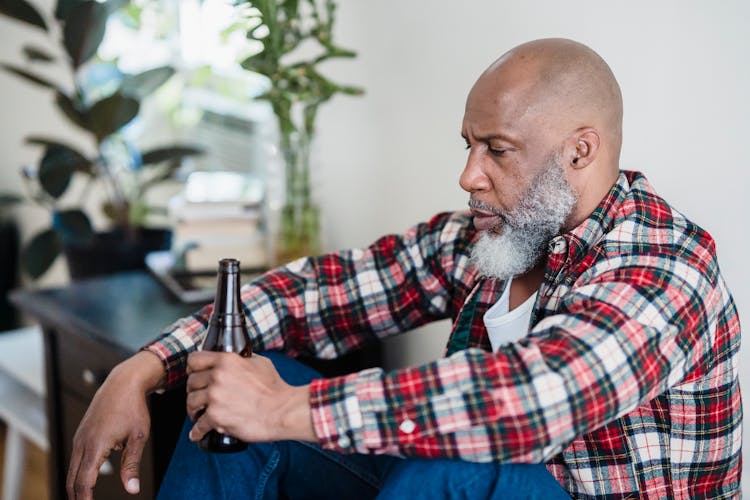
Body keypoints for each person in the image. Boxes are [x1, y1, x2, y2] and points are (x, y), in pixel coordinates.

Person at [66, 38, 742, 499]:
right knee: (230, 401)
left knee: (451, 456)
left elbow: (528, 402)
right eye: (469, 145)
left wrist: (290, 408)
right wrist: (147, 365)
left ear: (580, 152)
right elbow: (321, 292)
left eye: (496, 150)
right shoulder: (496, 236)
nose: (468, 174)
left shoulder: (666, 265)